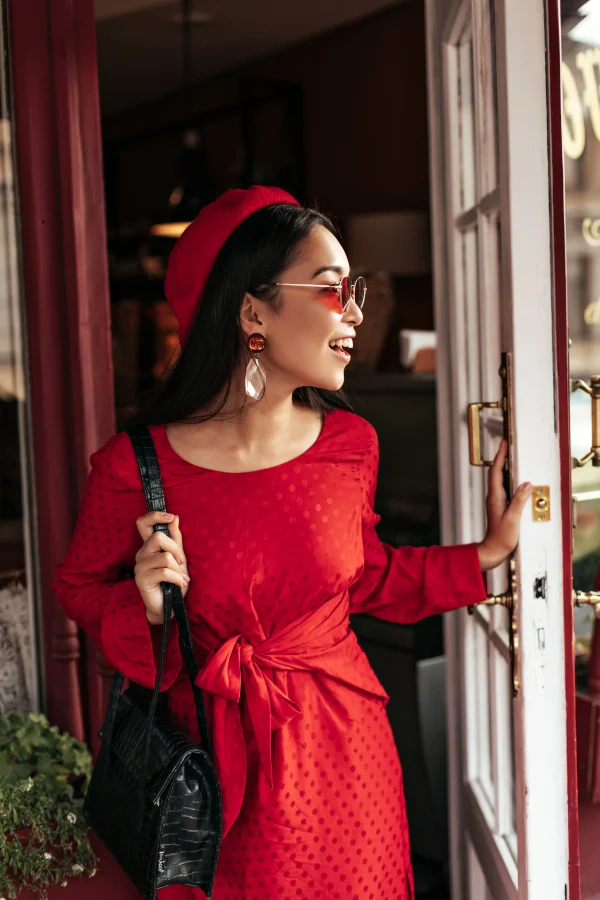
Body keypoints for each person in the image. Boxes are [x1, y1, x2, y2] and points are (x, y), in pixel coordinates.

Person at [52, 186, 532, 900]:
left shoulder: (350, 445)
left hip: (347, 762)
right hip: (212, 781)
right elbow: (78, 590)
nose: (358, 314)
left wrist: (486, 554)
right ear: (254, 311)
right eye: (335, 291)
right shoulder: (135, 466)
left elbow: (365, 578)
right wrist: (146, 608)